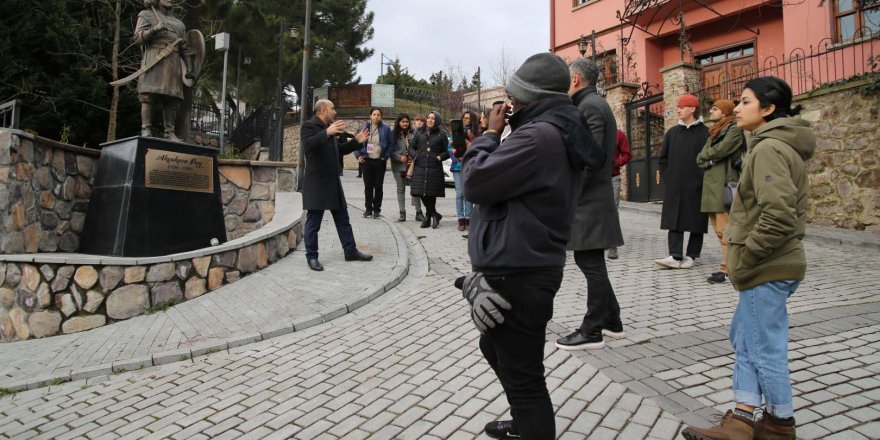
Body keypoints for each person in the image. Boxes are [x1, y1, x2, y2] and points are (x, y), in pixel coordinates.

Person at [462, 52, 596, 440]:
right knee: (495, 347)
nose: (509, 103)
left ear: (531, 96)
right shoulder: (552, 128)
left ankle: (530, 425)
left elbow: (475, 183)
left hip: (519, 272)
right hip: (524, 264)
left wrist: (488, 135)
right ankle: (524, 421)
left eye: (515, 95)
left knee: (525, 380)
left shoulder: (538, 136)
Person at [681, 77, 814, 440]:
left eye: (744, 101)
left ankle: (778, 424)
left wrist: (747, 255)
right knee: (744, 337)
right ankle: (742, 417)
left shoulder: (770, 148)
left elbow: (779, 215)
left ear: (768, 109)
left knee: (763, 346)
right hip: (771, 264)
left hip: (768, 264)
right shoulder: (773, 144)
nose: (736, 108)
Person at [555, 58, 625, 351]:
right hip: (590, 199)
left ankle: (592, 328)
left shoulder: (590, 106)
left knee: (590, 264)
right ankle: (612, 320)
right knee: (591, 262)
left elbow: (589, 157)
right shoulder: (590, 104)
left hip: (589, 200)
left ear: (575, 80)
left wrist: (568, 192)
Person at [300, 99, 373, 272]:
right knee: (313, 222)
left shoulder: (331, 130)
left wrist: (357, 142)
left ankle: (350, 251)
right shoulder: (309, 126)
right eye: (333, 109)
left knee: (343, 219)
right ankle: (312, 257)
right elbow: (308, 146)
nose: (335, 112)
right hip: (316, 183)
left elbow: (338, 150)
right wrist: (327, 132)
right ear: (323, 110)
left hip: (332, 182)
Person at [654, 94, 710, 269]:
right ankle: (675, 255)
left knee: (696, 221)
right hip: (675, 184)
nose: (678, 109)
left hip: (697, 184)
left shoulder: (706, 133)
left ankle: (692, 255)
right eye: (678, 107)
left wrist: (703, 178)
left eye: (682, 107)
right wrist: (668, 177)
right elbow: (663, 159)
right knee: (674, 219)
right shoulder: (672, 132)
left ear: (692, 109)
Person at [697, 99, 746, 284]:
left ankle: (728, 269)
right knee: (719, 231)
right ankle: (728, 265)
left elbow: (722, 150)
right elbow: (701, 157)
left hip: (724, 183)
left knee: (727, 230)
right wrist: (709, 158)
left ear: (725, 112)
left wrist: (708, 157)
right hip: (711, 185)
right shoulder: (715, 130)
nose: (711, 111)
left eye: (715, 109)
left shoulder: (733, 128)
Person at [134, 0, 194, 141]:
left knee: (172, 99)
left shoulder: (179, 24)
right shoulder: (146, 15)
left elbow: (185, 48)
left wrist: (190, 67)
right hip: (154, 59)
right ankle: (146, 129)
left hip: (173, 63)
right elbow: (138, 38)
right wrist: (154, 30)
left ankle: (169, 132)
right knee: (147, 96)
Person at [409, 111, 448, 229]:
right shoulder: (419, 133)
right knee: (420, 192)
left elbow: (447, 151)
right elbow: (411, 147)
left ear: (437, 121)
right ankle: (435, 214)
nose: (430, 120)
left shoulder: (442, 134)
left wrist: (440, 157)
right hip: (420, 166)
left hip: (434, 168)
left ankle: (428, 217)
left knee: (431, 193)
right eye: (429, 118)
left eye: (433, 118)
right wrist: (415, 155)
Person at [354, 108, 394, 219]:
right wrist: (358, 155)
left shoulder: (386, 128)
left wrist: (385, 157)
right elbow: (356, 141)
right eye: (374, 114)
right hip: (367, 161)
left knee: (378, 186)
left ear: (381, 116)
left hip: (379, 161)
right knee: (368, 186)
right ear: (370, 116)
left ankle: (377, 210)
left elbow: (391, 144)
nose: (376, 117)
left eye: (378, 115)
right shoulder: (364, 127)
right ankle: (368, 210)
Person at [453, 110, 480, 231]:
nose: (465, 120)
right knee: (459, 193)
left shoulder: (475, 132)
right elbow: (450, 148)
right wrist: (454, 156)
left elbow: (478, 146)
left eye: (468, 118)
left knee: (467, 193)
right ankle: (460, 219)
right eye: (464, 118)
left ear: (472, 120)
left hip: (469, 164)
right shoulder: (456, 132)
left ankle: (469, 219)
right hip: (457, 165)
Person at [607, 129, 631, 259]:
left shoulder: (618, 134)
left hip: (612, 178)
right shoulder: (593, 132)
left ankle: (612, 246)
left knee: (612, 210)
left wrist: (616, 163)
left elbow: (627, 154)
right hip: (595, 178)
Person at [390, 113, 413, 222]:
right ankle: (402, 213)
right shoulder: (393, 134)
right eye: (403, 121)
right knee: (400, 189)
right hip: (398, 166)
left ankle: (419, 212)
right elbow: (390, 150)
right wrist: (399, 157)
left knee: (415, 189)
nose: (405, 123)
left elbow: (417, 148)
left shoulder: (413, 133)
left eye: (406, 122)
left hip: (412, 166)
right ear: (398, 122)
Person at [409, 114, 428, 222]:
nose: (419, 122)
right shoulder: (410, 133)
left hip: (421, 163)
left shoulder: (426, 134)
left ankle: (426, 211)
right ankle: (418, 211)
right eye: (417, 120)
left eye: (422, 120)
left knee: (422, 189)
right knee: (414, 189)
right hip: (410, 163)